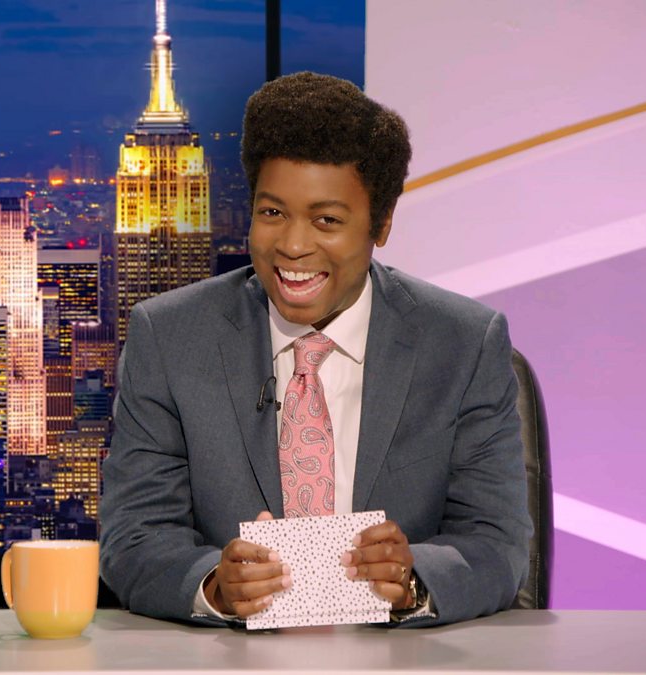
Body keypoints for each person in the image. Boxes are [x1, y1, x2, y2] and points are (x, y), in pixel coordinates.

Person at [99, 72, 531, 627]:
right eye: (272, 213)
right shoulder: (170, 337)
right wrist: (214, 585)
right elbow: (134, 538)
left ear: (381, 225)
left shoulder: (462, 344)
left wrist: (412, 580)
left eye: (326, 220)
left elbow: (496, 544)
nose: (293, 245)